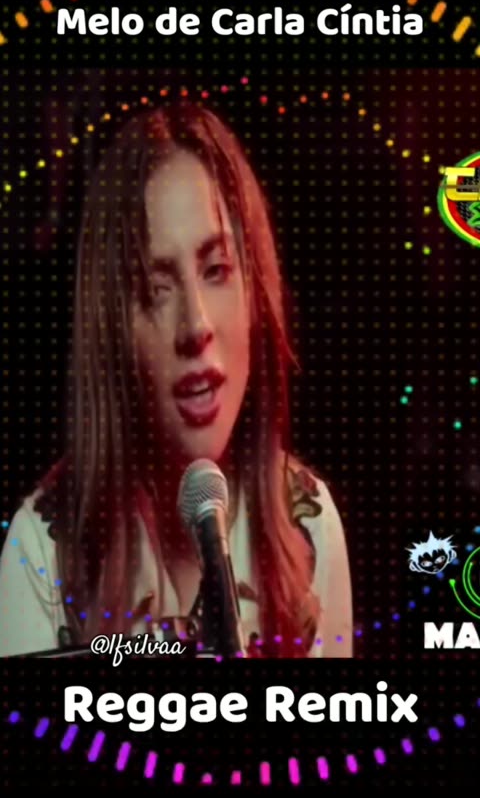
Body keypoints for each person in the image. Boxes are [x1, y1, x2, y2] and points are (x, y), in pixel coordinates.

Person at [0, 101, 352, 658]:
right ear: (113, 330)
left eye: (216, 270)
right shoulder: (39, 552)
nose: (196, 326)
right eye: (156, 289)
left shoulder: (309, 526)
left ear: (255, 294)